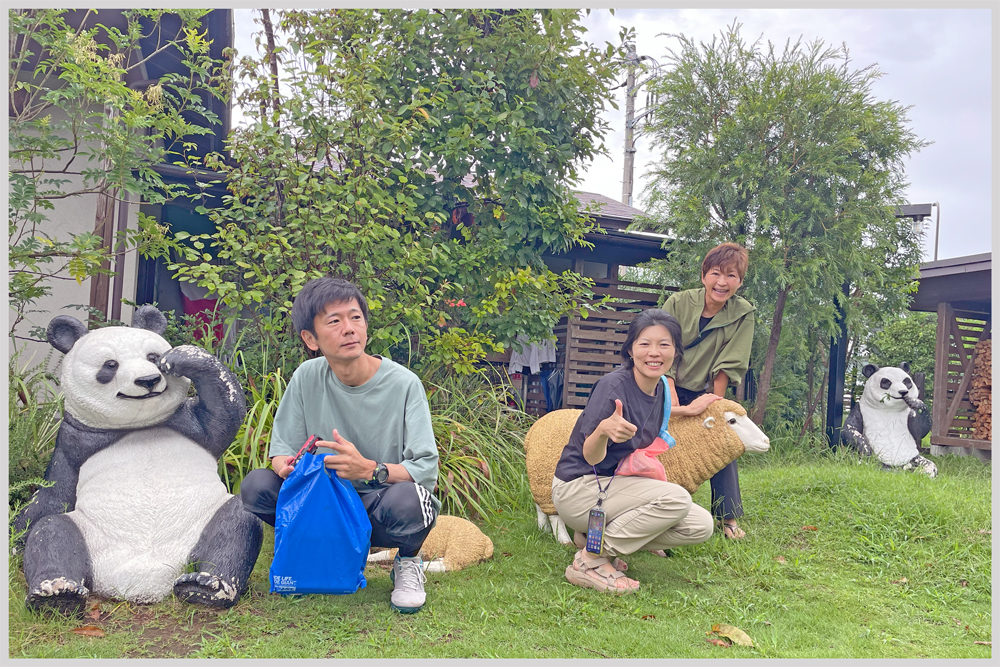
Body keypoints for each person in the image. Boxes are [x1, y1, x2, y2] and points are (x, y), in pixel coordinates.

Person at [240, 277, 439, 613]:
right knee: (256, 486)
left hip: (380, 502)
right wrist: (287, 468)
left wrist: (369, 469)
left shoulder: (404, 384)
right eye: (334, 321)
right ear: (310, 338)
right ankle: (321, 553)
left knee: (411, 501)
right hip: (325, 500)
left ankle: (407, 562)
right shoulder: (307, 377)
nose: (349, 329)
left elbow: (424, 471)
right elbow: (282, 449)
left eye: (355, 317)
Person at [551, 309, 714, 594]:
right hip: (578, 488)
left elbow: (649, 416)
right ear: (630, 350)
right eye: (645, 343)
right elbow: (590, 457)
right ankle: (590, 560)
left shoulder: (661, 389)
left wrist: (685, 410)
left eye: (664, 344)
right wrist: (603, 430)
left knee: (700, 525)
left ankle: (592, 538)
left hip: (612, 491)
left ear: (675, 351)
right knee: (676, 499)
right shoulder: (612, 387)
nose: (655, 352)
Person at [662, 242, 755, 540]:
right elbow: (662, 348)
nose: (722, 282)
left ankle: (728, 519)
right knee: (660, 446)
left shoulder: (743, 313)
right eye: (716, 273)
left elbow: (730, 361)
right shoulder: (677, 303)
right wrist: (672, 400)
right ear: (703, 275)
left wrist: (714, 402)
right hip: (665, 384)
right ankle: (659, 514)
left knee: (721, 444)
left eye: (732, 276)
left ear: (739, 282)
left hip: (707, 389)